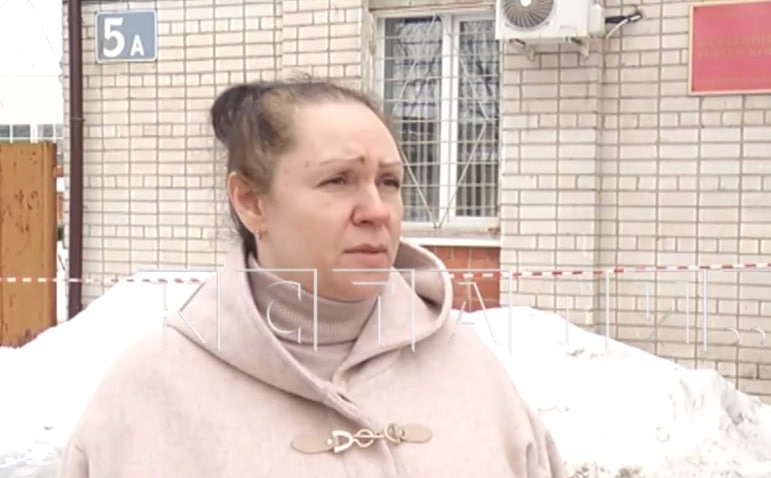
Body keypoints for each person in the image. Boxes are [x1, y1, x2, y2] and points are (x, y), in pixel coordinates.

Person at [58, 79, 568, 478]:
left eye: (389, 182)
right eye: (338, 179)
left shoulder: (472, 371)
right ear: (251, 202)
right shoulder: (149, 391)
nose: (377, 210)